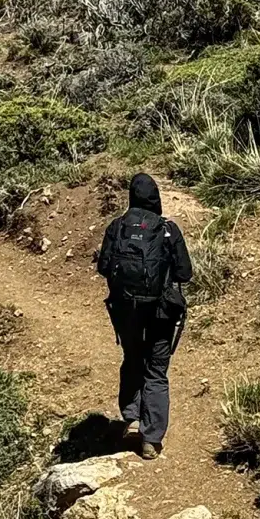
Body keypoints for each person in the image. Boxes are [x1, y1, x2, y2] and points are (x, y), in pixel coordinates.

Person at [95, 171, 193, 460]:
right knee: (156, 371)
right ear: (156, 197)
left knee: (132, 358)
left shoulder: (116, 227)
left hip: (126, 311)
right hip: (161, 313)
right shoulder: (167, 230)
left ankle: (132, 417)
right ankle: (151, 440)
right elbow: (185, 274)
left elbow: (103, 267)